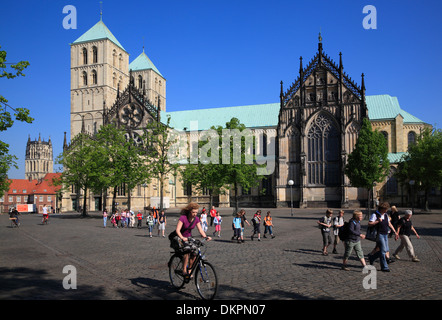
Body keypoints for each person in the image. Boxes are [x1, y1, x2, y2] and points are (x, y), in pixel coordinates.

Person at [175, 203, 211, 276]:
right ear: (189, 211)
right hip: (181, 237)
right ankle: (184, 269)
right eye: (193, 212)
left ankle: (190, 269)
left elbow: (200, 230)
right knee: (187, 252)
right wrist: (182, 238)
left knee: (194, 254)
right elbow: (177, 230)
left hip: (189, 237)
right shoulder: (183, 218)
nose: (195, 214)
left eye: (196, 212)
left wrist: (205, 236)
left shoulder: (196, 219)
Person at [368, 202, 398, 272]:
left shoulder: (385, 215)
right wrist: (377, 221)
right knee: (383, 250)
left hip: (385, 234)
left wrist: (395, 231)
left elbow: (389, 224)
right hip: (379, 234)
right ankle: (384, 267)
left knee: (385, 250)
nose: (386, 210)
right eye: (385, 209)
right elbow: (369, 223)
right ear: (382, 209)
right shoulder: (375, 215)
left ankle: (372, 257)